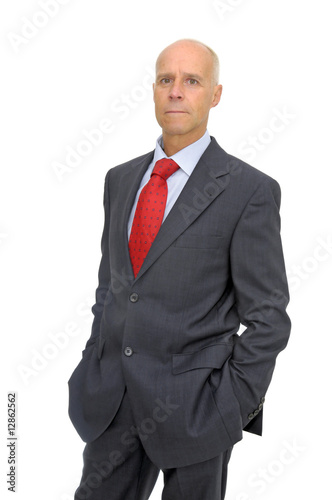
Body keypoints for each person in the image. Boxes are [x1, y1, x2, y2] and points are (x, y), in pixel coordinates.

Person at [68, 39, 291, 500]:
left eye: (192, 81)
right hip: (112, 402)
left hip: (198, 410)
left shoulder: (249, 190)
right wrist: (93, 362)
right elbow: (110, 287)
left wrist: (231, 404)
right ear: (153, 90)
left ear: (215, 94)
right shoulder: (121, 179)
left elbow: (269, 318)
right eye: (166, 79)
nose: (176, 91)